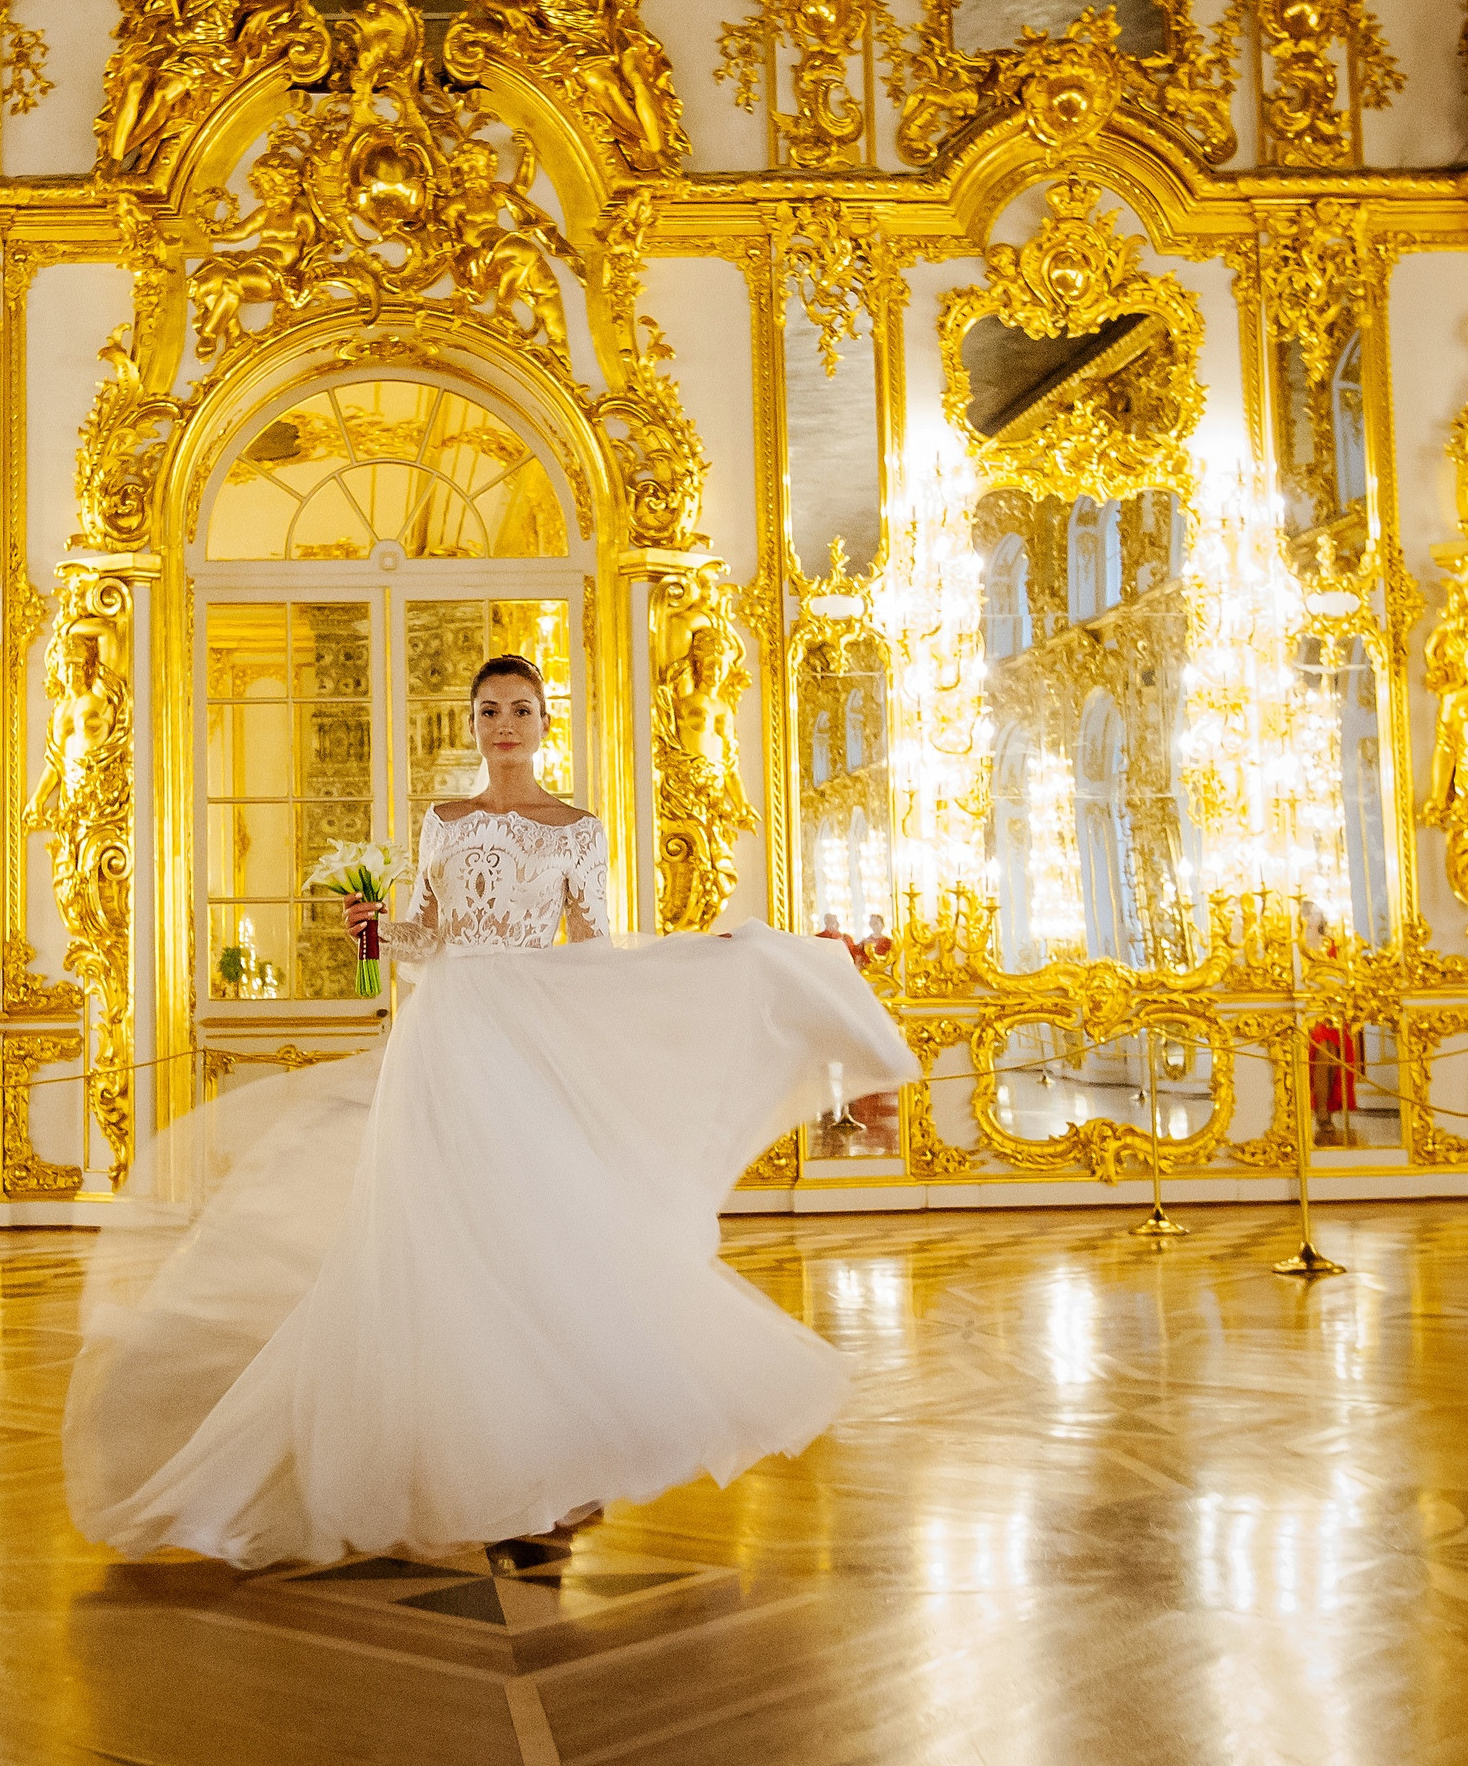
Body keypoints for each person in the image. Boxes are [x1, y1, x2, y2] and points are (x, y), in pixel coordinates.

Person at [64, 652, 917, 1567]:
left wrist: (688, 964)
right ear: (473, 725)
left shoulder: (578, 829)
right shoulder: (444, 821)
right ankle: (462, 1467)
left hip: (528, 1037)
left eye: (519, 709)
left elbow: (592, 947)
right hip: (445, 1038)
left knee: (533, 1240)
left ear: (544, 724)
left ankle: (547, 1471)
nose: (504, 725)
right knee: (435, 1241)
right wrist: (372, 933)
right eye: (488, 711)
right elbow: (425, 939)